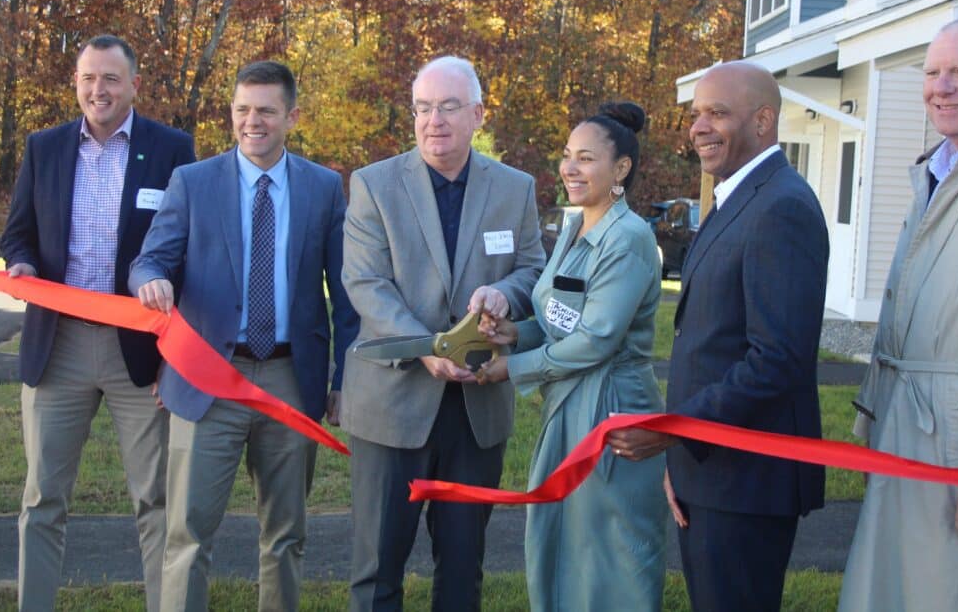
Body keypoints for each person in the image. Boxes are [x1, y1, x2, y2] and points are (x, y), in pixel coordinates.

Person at [129, 60, 358, 611]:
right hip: (207, 378)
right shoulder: (194, 181)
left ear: (292, 116)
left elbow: (347, 295)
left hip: (289, 379)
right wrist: (152, 278)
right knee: (186, 535)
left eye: (265, 111)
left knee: (284, 535)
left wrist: (343, 378)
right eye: (242, 110)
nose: (252, 122)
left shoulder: (324, 189)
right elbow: (148, 260)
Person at [607, 61, 828, 612]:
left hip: (748, 480)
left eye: (717, 113)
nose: (699, 126)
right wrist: (681, 455)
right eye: (696, 114)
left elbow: (777, 360)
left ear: (763, 120)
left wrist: (672, 432)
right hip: (710, 469)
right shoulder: (736, 195)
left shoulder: (782, 207)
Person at [339, 55, 544, 611]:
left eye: (449, 107)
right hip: (393, 403)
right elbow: (365, 283)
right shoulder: (374, 185)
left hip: (475, 410)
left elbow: (532, 268)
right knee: (377, 570)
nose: (434, 120)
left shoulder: (514, 188)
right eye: (423, 108)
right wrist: (427, 348)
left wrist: (508, 294)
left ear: (478, 113)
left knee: (461, 570)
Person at [0, 34, 195, 612]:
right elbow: (18, 232)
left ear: (134, 84)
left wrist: (174, 357)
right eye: (87, 78)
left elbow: (189, 250)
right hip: (55, 346)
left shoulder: (171, 149)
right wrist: (22, 264)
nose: (97, 89)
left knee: (156, 499)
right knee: (42, 499)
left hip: (139, 352)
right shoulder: (45, 147)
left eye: (110, 78)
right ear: (76, 83)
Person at [837, 16, 958, 611]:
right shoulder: (933, 172)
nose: (942, 87)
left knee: (957, 595)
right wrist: (873, 419)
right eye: (933, 72)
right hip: (905, 428)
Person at [475, 102, 669, 611]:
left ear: (621, 169)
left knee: (609, 558)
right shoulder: (575, 226)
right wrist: (515, 333)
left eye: (585, 158)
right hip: (566, 402)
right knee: (559, 541)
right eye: (566, 156)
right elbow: (563, 319)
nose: (570, 168)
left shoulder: (627, 239)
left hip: (611, 412)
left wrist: (511, 369)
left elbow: (595, 341)